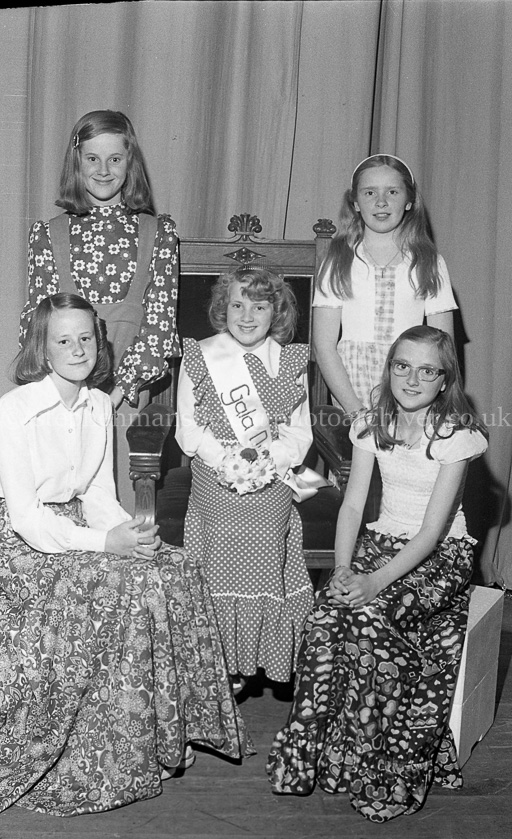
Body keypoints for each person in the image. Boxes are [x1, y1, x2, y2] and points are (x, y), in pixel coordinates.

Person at [0, 293, 252, 817]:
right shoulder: (15, 410)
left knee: (176, 566)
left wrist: (130, 534)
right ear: (42, 349)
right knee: (133, 584)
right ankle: (115, 749)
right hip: (24, 545)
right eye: (63, 340)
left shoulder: (97, 403)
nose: (77, 349)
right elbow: (26, 517)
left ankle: (170, 733)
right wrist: (105, 543)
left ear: (99, 342)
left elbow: (96, 495)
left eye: (86, 338)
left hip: (78, 528)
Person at [267, 325, 489, 822]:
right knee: (325, 617)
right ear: (389, 368)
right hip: (380, 541)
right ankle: (313, 759)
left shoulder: (456, 435)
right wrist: (344, 569)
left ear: (445, 379)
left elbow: (430, 533)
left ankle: (375, 765)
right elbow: (351, 506)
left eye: (427, 371)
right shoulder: (372, 423)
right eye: (402, 366)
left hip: (441, 553)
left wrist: (373, 583)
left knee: (371, 619)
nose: (412, 379)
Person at [20, 109, 180, 511]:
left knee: (116, 506)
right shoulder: (49, 234)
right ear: (77, 161)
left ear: (130, 162)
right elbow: (37, 323)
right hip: (59, 392)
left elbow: (159, 327)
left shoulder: (157, 233)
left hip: (125, 397)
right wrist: (69, 394)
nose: (104, 170)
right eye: (92, 158)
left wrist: (113, 396)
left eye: (115, 158)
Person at [175, 266, 315, 691]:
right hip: (214, 472)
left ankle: (258, 655)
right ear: (224, 308)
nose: (247, 316)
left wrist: (265, 461)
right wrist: (228, 461)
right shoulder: (201, 356)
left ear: (277, 312)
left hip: (272, 473)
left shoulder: (289, 361)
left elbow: (300, 433)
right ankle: (219, 661)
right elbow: (188, 430)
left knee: (267, 530)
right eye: (238, 305)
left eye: (260, 307)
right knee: (223, 530)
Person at [313, 154, 457, 414]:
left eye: (392, 192)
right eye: (369, 193)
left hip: (412, 385)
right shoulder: (338, 259)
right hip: (352, 388)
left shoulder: (429, 261)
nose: (381, 202)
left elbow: (443, 348)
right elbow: (324, 346)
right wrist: (355, 411)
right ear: (355, 203)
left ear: (409, 201)